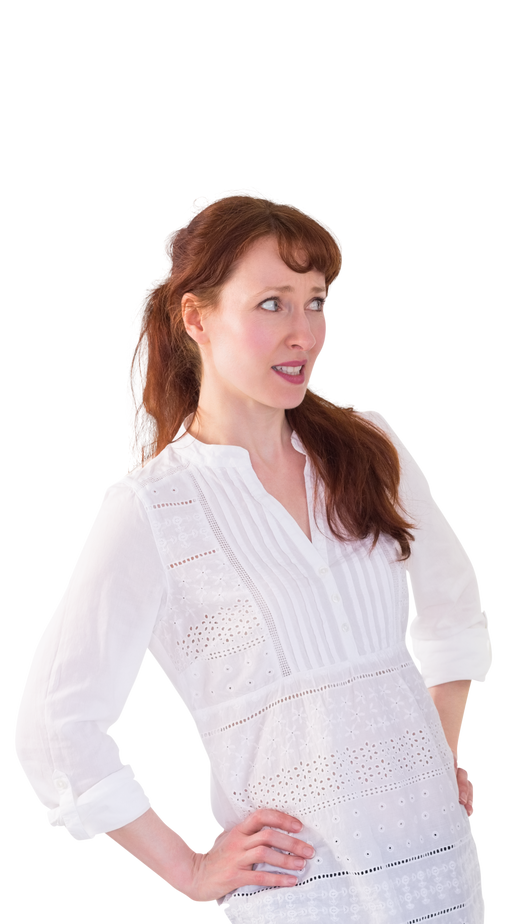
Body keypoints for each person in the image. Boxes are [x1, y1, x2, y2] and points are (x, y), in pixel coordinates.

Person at [13, 186, 493, 922]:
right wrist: (189, 870)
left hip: (440, 873)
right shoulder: (149, 508)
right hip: (299, 896)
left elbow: (455, 608)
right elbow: (54, 726)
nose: (303, 331)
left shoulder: (372, 446)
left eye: (316, 301)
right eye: (272, 304)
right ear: (197, 318)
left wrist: (438, 749)